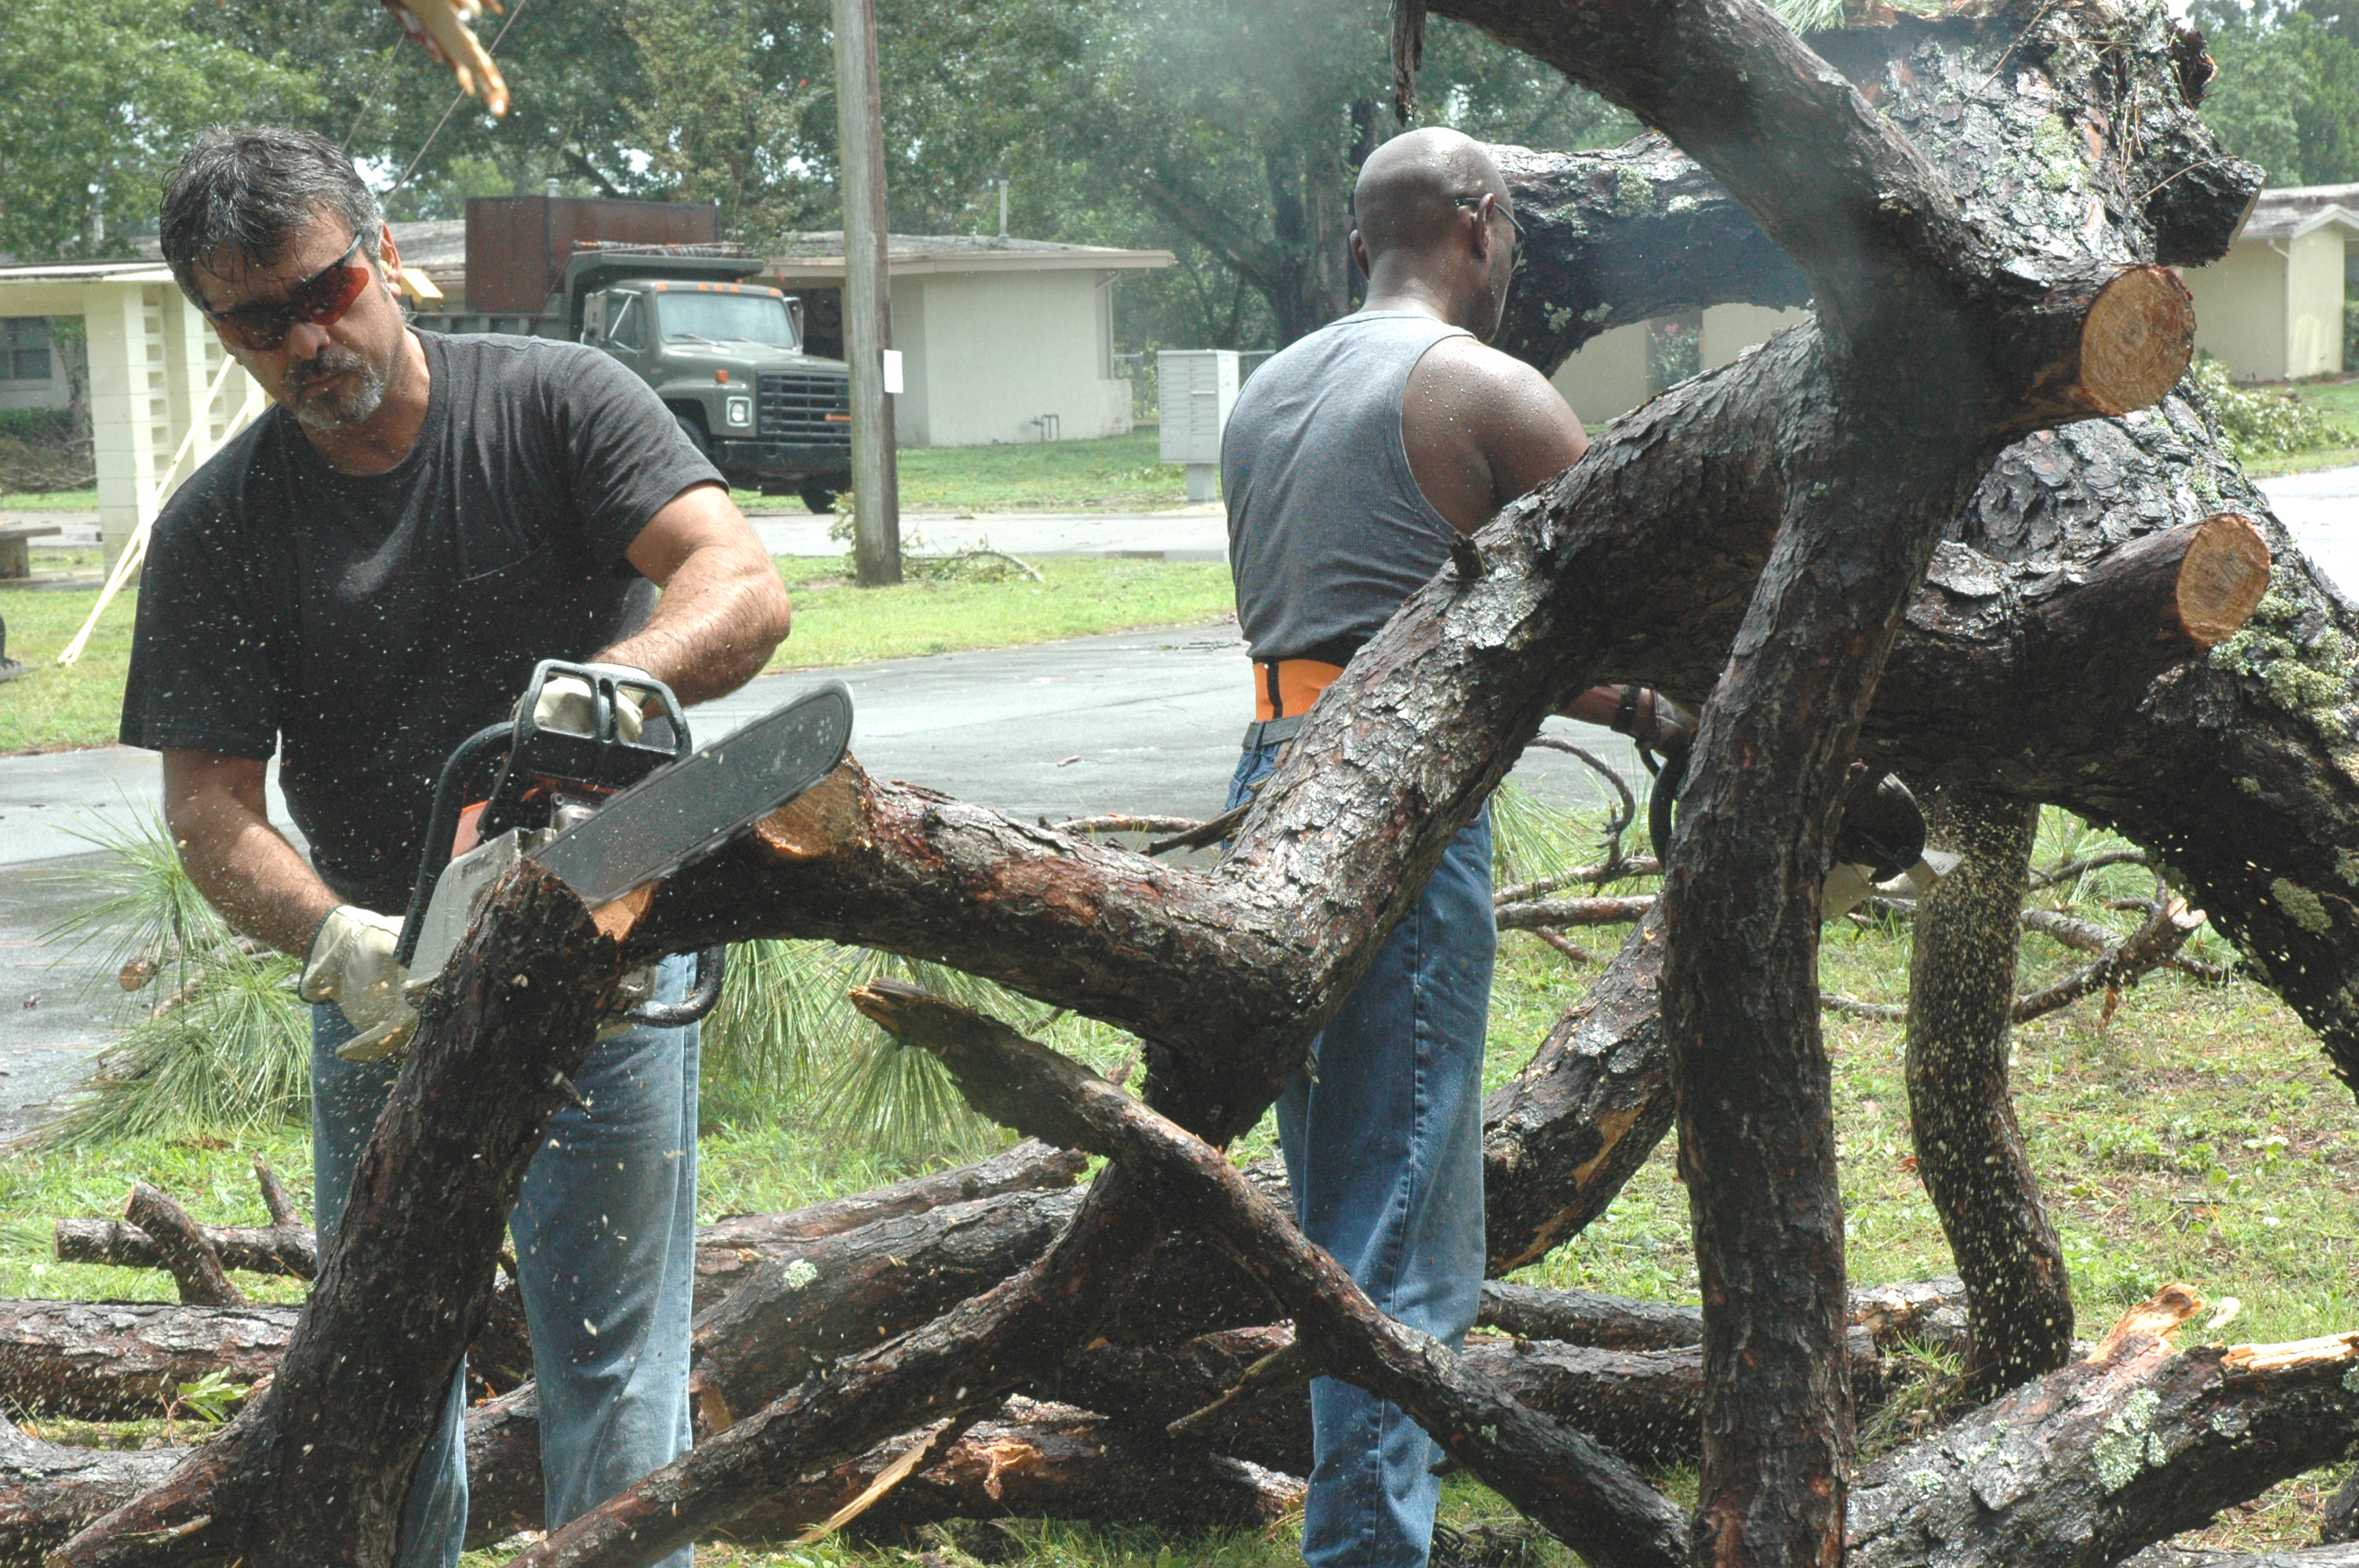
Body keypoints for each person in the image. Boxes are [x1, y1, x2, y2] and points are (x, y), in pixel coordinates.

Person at [122, 126, 792, 1568]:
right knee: (380, 1376)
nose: (308, 336)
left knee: (611, 1369)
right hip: (384, 991)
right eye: (258, 318)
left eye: (324, 287)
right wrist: (333, 941)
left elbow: (740, 585)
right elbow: (210, 807)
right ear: (221, 331)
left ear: (383, 261)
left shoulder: (556, 403)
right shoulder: (222, 526)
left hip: (597, 950)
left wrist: (613, 687)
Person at [1220, 127, 1688, 1568]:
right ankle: (1367, 1554)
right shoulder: (1484, 390)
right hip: (1399, 808)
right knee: (1402, 1235)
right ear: (1478, 224)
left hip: (1273, 780)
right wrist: (1695, 695)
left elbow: (1440, 633)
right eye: (1517, 233)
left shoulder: (1267, 395)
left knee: (1340, 1201)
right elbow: (1656, 593)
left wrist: (1639, 712)